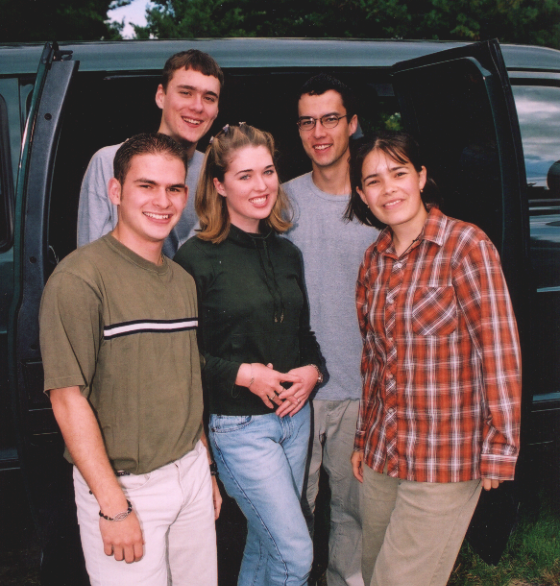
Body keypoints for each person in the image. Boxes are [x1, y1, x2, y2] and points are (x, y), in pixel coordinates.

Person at [40, 133, 221, 586]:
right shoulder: (79, 279)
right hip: (126, 488)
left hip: (191, 475)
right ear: (116, 191)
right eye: (147, 186)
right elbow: (66, 399)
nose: (163, 201)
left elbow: (186, 383)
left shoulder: (182, 281)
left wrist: (205, 468)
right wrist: (113, 506)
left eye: (174, 188)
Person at [348, 131, 522, 586]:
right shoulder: (373, 261)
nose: (389, 189)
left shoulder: (466, 246)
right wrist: (363, 437)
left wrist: (501, 447)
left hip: (445, 457)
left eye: (399, 173)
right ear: (362, 195)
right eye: (373, 181)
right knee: (372, 571)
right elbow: (373, 361)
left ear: (421, 177)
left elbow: (499, 351)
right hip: (383, 453)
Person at [174, 123, 323, 586]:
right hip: (239, 428)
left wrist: (314, 371)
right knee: (295, 555)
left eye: (268, 171)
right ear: (219, 185)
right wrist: (244, 375)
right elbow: (180, 357)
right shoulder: (194, 258)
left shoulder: (287, 252)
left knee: (265, 545)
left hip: (295, 421)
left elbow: (302, 335)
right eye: (245, 175)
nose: (261, 186)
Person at [283, 74, 376, 586]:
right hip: (295, 392)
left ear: (352, 124)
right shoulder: (279, 201)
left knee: (354, 519)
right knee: (292, 516)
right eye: (307, 122)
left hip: (363, 392)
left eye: (331, 119)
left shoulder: (377, 201)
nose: (319, 133)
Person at [77, 49, 223, 255]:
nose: (197, 107)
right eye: (186, 93)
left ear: (216, 110)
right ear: (161, 96)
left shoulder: (217, 173)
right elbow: (91, 259)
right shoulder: (108, 161)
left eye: (209, 98)